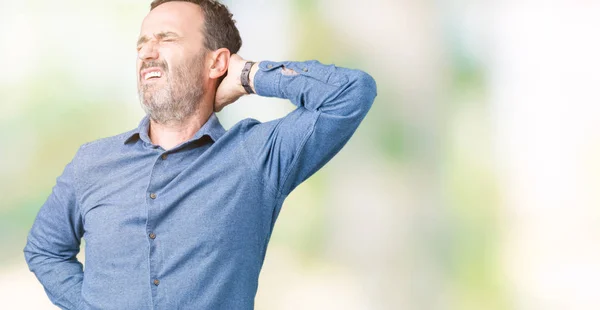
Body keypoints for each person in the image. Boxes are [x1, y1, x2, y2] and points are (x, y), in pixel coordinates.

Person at [23, 0, 377, 309]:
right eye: (143, 43)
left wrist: (249, 74)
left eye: (167, 39)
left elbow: (350, 93)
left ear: (216, 62)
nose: (147, 52)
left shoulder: (257, 157)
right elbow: (45, 250)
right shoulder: (92, 162)